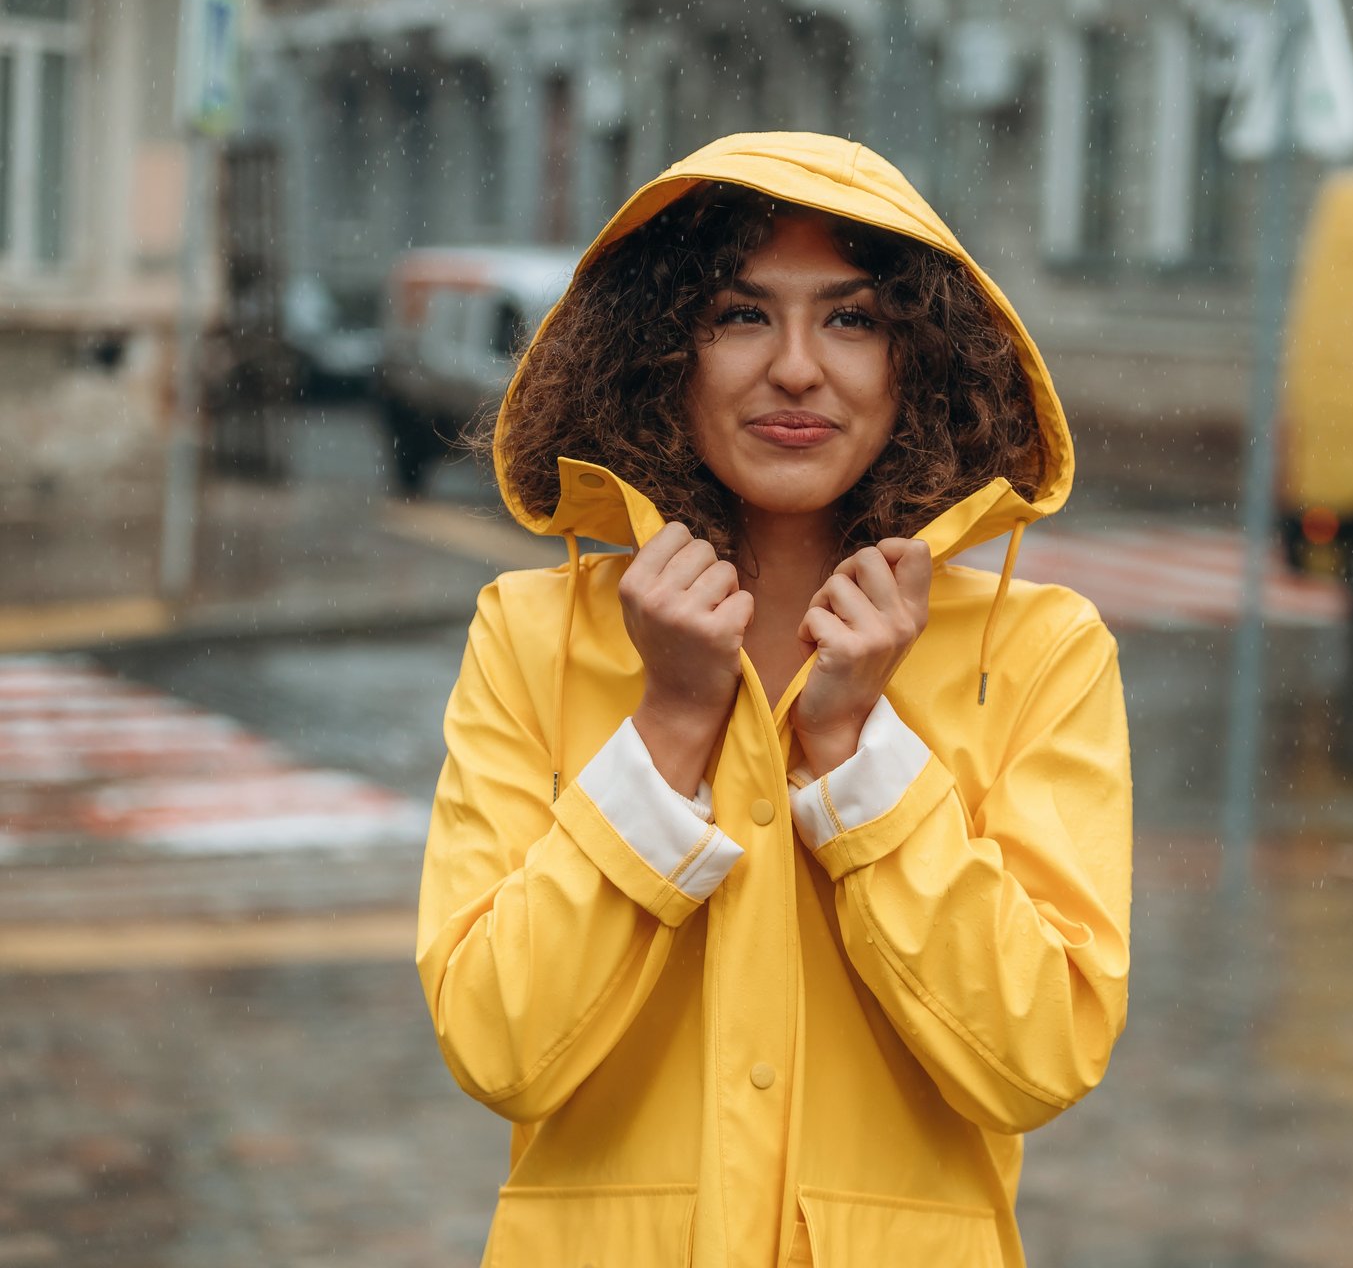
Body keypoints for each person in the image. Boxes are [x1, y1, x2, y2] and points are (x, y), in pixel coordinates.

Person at [416, 132, 1133, 1268]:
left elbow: (1034, 1053)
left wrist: (856, 754)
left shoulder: (1039, 650)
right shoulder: (531, 634)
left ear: (920, 358)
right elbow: (498, 1043)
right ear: (661, 353)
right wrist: (666, 731)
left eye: (851, 319)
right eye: (740, 314)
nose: (797, 367)